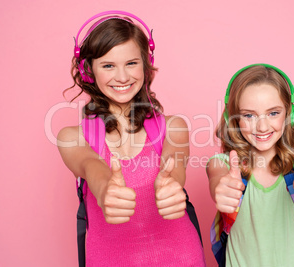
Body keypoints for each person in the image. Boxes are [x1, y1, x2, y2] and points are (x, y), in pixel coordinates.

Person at [57, 11, 205, 266]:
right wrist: (105, 190)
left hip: (182, 257)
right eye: (108, 65)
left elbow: (174, 164)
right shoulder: (72, 137)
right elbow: (91, 166)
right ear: (88, 69)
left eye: (131, 63)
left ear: (146, 64)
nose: (123, 77)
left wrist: (172, 184)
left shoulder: (174, 126)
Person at [206, 64, 294, 267]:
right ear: (233, 118)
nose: (262, 126)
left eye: (273, 113)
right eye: (249, 115)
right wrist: (222, 188)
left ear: (289, 114)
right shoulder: (223, 165)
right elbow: (217, 177)